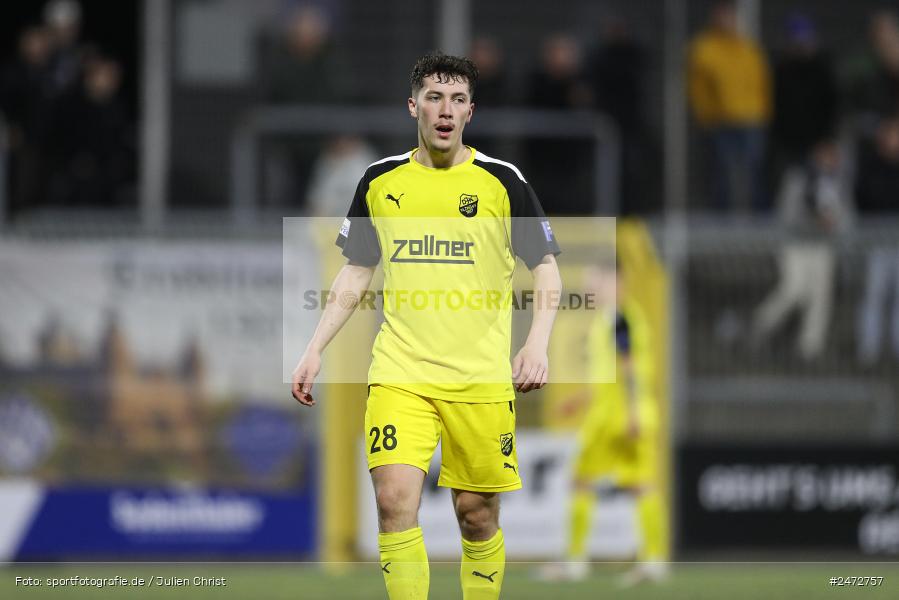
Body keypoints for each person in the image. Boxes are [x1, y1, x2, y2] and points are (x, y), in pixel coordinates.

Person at [291, 52, 562, 599]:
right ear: (413, 105)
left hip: (480, 379)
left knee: (476, 516)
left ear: (470, 112)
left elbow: (547, 269)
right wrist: (314, 347)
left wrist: (537, 343)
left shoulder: (502, 182)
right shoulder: (379, 181)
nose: (446, 110)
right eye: (435, 98)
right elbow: (356, 271)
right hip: (400, 372)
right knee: (393, 502)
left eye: (458, 100)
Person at [542, 257, 668, 585]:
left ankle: (576, 561)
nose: (591, 289)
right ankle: (653, 561)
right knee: (643, 486)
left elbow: (628, 369)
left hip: (618, 417)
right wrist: (581, 399)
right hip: (632, 412)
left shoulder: (618, 319)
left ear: (615, 283)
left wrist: (632, 412)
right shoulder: (619, 318)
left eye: (596, 283)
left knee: (582, 483)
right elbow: (613, 373)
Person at [751, 141, 850, 360]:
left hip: (823, 245)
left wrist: (834, 224)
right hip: (796, 243)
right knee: (794, 290)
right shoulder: (798, 177)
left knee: (821, 295)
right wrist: (813, 220)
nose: (834, 160)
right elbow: (787, 214)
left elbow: (843, 213)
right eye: (829, 154)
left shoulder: (837, 180)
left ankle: (810, 348)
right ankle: (760, 325)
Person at [688, 0, 771, 212]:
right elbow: (698, 87)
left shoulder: (747, 47)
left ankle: (758, 216)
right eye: (722, 17)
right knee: (721, 172)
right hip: (721, 119)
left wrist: (763, 111)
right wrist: (705, 114)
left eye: (730, 17)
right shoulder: (705, 48)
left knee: (755, 171)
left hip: (751, 117)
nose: (727, 22)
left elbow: (760, 82)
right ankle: (721, 216)